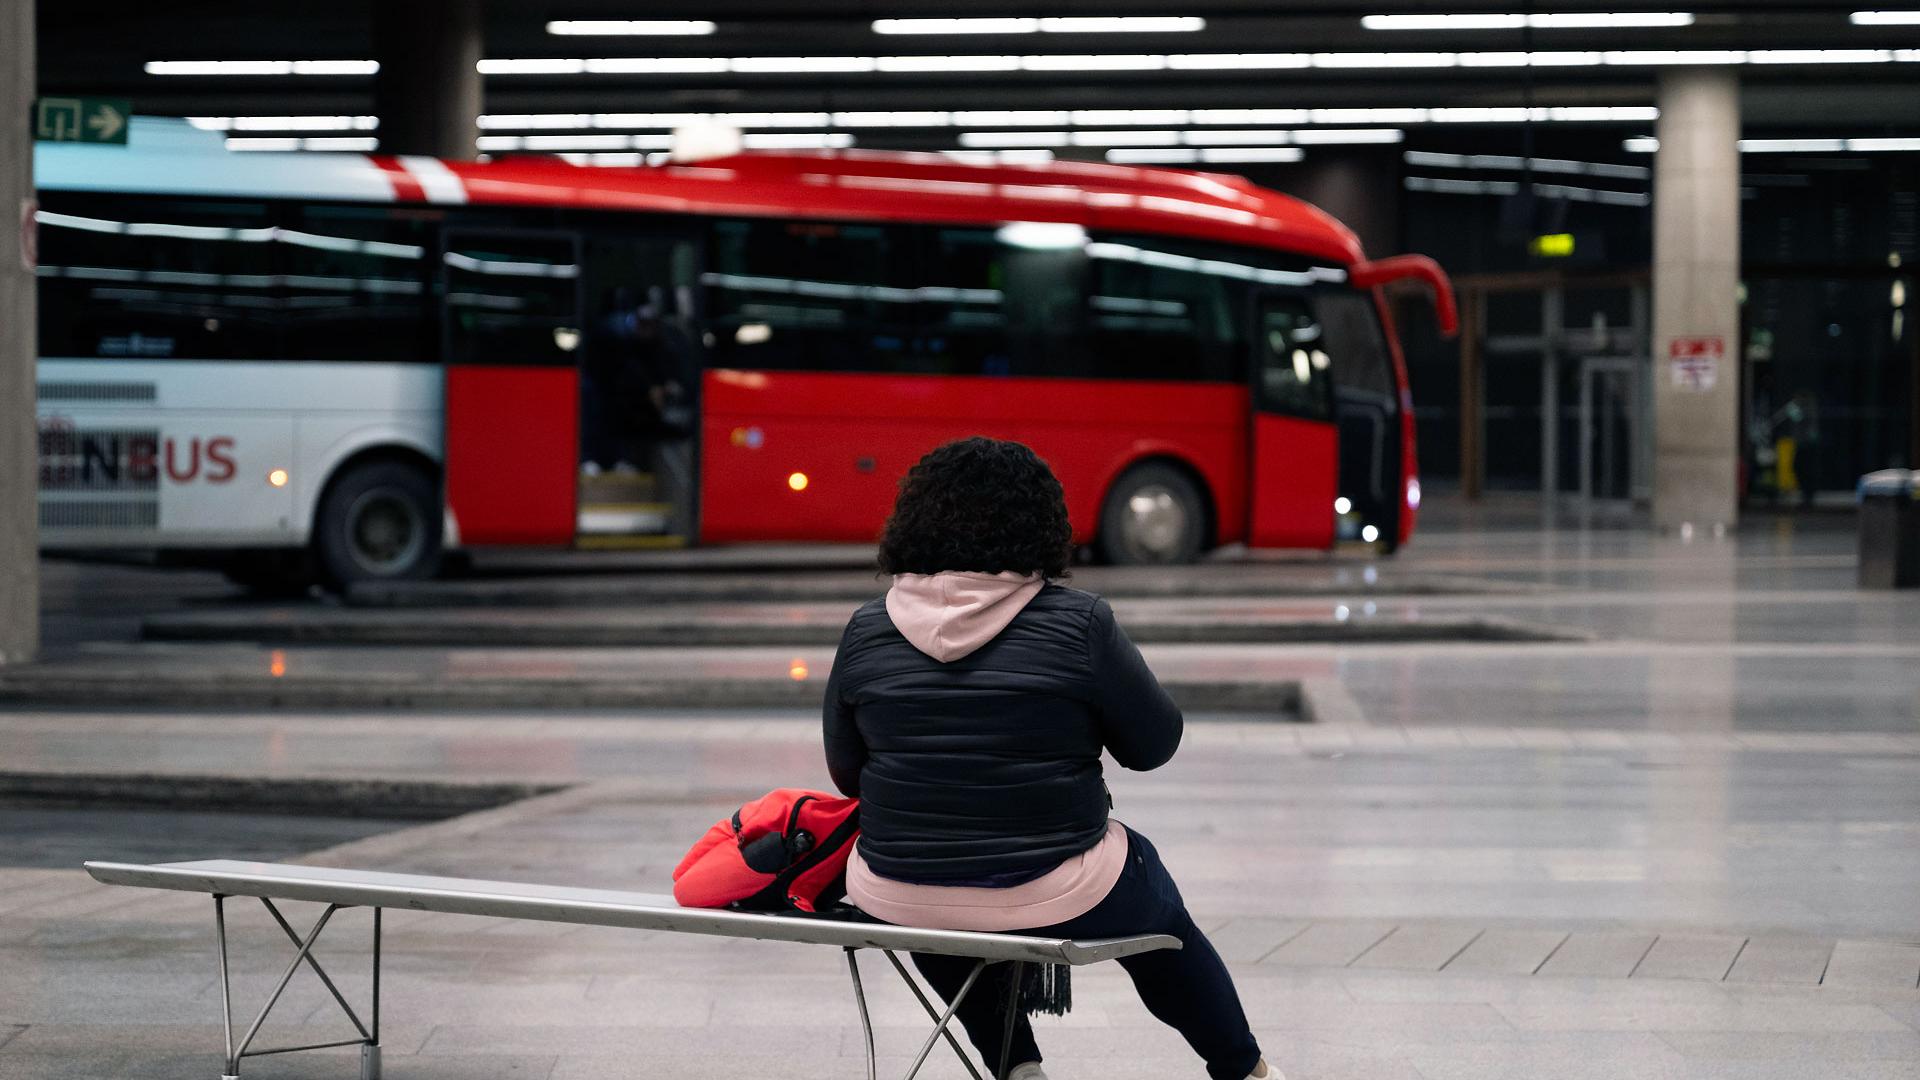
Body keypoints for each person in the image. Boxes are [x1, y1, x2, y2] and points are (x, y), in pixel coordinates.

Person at [822, 437, 1274, 1080]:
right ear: (1040, 522)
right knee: (1157, 908)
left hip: (896, 887)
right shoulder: (1079, 623)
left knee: (943, 904)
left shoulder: (867, 627)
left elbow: (846, 774)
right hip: (1054, 884)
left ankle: (1017, 1067)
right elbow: (1154, 746)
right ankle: (1244, 1070)